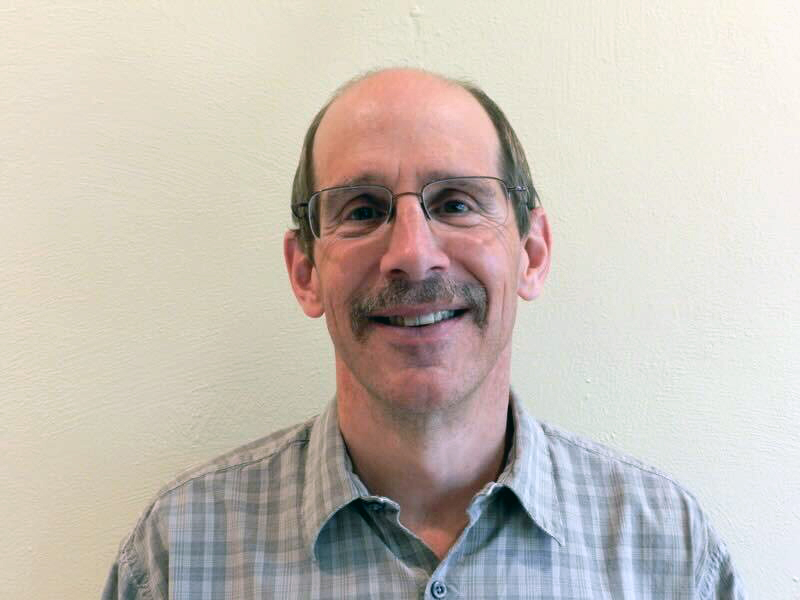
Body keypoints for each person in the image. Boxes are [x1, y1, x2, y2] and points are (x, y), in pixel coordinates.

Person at [103, 68, 745, 599]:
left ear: (532, 253)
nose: (413, 254)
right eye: (362, 210)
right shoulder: (179, 555)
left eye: (456, 203)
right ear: (305, 272)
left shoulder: (669, 554)